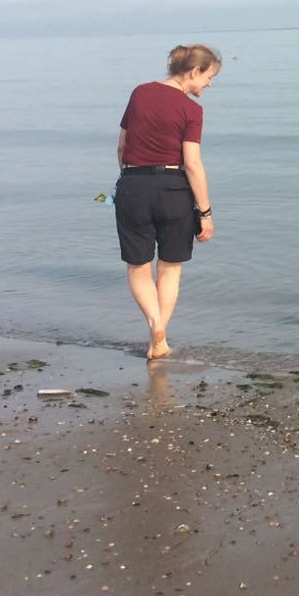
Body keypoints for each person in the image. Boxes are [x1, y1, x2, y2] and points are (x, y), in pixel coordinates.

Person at [115, 43, 220, 360]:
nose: (209, 84)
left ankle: (155, 329)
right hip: (174, 190)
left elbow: (122, 146)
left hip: (133, 186)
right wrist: (206, 213)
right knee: (170, 269)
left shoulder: (139, 93)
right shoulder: (192, 110)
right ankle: (158, 335)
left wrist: (130, 180)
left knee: (138, 268)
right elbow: (193, 165)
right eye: (209, 77)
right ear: (195, 71)